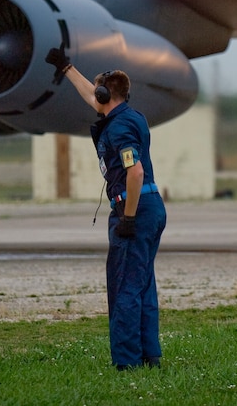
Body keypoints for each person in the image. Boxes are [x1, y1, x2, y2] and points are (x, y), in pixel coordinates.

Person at [46, 47, 166, 370]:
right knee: (142, 283)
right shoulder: (129, 115)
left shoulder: (118, 128)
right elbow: (92, 95)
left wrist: (127, 218)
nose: (92, 96)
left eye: (97, 91)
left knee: (125, 285)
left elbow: (135, 171)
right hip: (151, 207)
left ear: (104, 94)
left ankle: (126, 362)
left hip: (134, 209)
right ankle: (149, 355)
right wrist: (67, 68)